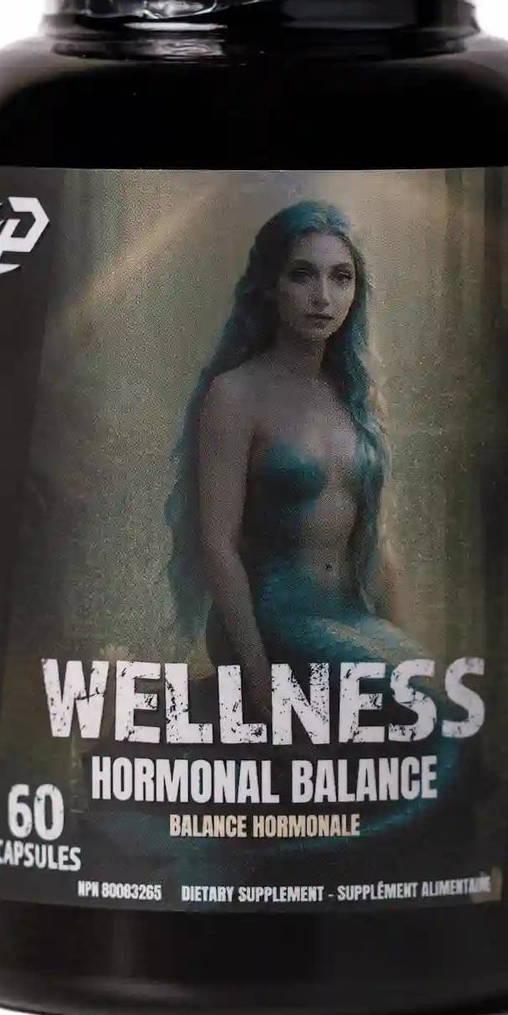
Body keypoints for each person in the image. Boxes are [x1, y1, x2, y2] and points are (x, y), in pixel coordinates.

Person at [166, 200, 423, 716]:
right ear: (271, 284)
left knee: (442, 710)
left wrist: (408, 647)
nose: (323, 297)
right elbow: (218, 546)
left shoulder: (357, 397)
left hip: (349, 616)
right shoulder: (235, 394)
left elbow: (379, 541)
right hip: (271, 620)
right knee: (427, 719)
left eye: (341, 278)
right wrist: (256, 673)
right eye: (303, 275)